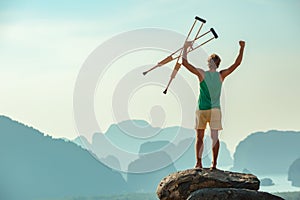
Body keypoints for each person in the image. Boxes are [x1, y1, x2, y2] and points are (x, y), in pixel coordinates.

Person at [182, 40, 245, 169]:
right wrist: (242, 48)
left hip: (203, 110)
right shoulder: (220, 75)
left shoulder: (203, 74)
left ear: (212, 63)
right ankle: (211, 164)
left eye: (211, 61)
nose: (211, 63)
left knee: (201, 137)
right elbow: (237, 64)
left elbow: (185, 63)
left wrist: (185, 48)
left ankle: (201, 163)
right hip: (213, 110)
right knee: (212, 137)